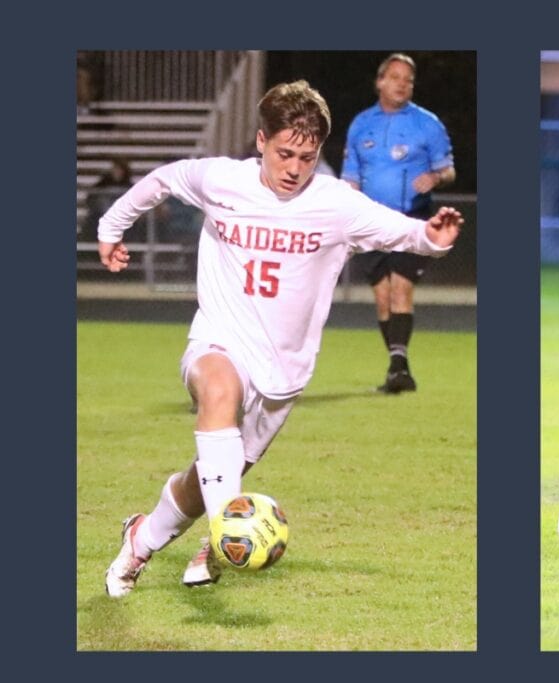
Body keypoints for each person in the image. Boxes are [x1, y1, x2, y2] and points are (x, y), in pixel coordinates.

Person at [99, 80, 463, 597]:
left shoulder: (336, 204)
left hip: (284, 371)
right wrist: (112, 228)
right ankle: (228, 534)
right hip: (221, 337)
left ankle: (144, 537)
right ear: (260, 141)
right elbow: (162, 180)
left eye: (307, 157)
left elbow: (403, 232)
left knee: (207, 477)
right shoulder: (222, 180)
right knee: (219, 391)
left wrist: (433, 237)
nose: (294, 168)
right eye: (285, 153)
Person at [342, 53, 456, 393]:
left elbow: (450, 170)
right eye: (395, 77)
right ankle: (397, 365)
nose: (402, 84)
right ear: (379, 81)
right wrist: (345, 214)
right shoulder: (361, 124)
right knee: (382, 297)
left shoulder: (427, 124)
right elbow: (350, 179)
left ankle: (398, 366)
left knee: (400, 289)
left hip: (413, 220)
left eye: (408, 79)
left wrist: (435, 178)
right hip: (370, 223)